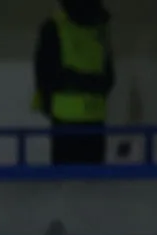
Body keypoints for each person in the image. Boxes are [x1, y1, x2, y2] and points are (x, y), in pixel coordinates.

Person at [33, 0, 114, 165]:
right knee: (91, 183)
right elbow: (108, 78)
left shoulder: (55, 27)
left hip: (72, 121)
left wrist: (73, 80)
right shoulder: (97, 29)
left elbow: (46, 76)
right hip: (87, 121)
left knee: (68, 183)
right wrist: (92, 84)